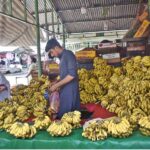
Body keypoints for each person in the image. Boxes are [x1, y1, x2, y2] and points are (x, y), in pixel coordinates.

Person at [45, 38, 80, 118]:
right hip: (65, 90)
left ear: (56, 47)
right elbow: (66, 75)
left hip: (70, 91)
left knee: (68, 118)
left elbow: (71, 75)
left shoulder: (68, 54)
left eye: (51, 51)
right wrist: (57, 81)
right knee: (64, 116)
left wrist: (56, 86)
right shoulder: (62, 57)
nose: (52, 54)